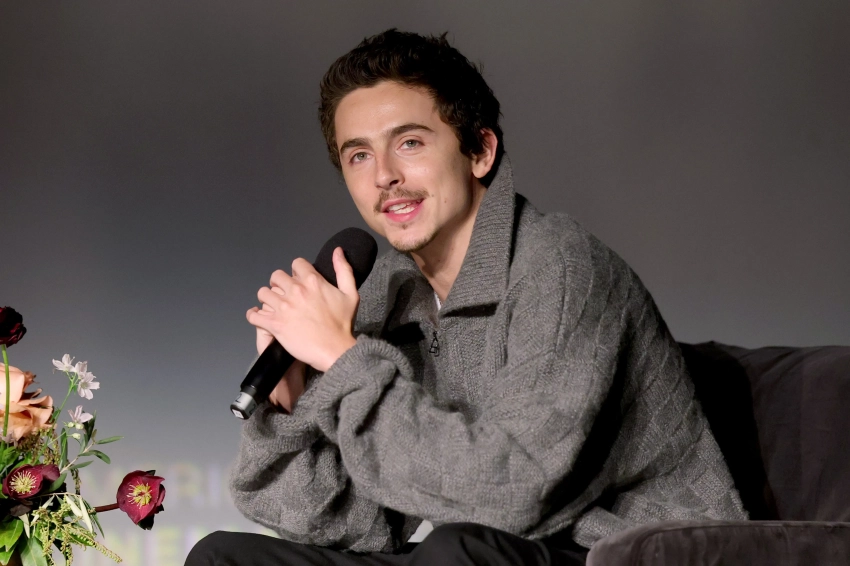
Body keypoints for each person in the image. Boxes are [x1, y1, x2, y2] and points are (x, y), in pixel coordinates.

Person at [186, 29, 746, 566]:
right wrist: (295, 400)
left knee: (456, 552)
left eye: (409, 143)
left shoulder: (562, 268)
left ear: (479, 151)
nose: (384, 176)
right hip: (488, 549)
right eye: (359, 156)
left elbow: (513, 496)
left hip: (627, 551)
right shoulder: (389, 296)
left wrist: (343, 360)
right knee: (224, 557)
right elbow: (351, 524)